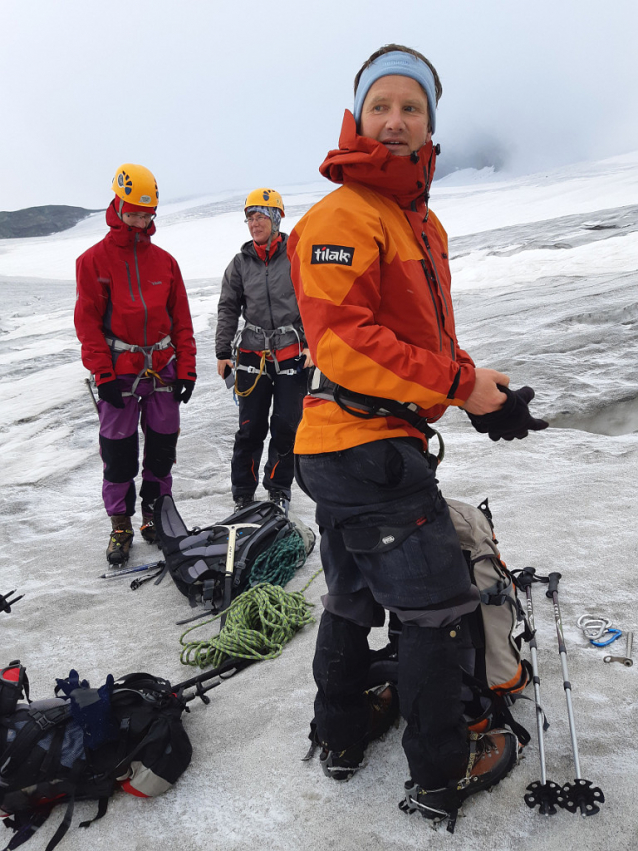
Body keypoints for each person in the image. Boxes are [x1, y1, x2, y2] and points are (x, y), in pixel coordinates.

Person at [289, 45, 548, 823]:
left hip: (350, 447)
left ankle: (339, 734)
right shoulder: (342, 215)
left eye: (412, 108)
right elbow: (347, 345)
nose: (396, 121)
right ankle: (443, 766)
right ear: (358, 116)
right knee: (435, 606)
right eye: (382, 106)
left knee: (354, 592)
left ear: (430, 124)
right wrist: (458, 386)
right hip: (364, 448)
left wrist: (478, 391)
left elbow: (421, 341)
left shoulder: (413, 219)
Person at [75, 163, 197, 565]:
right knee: (119, 453)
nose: (141, 220)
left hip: (161, 369)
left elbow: (182, 321)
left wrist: (188, 368)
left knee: (162, 449)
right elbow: (88, 322)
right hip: (119, 371)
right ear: (118, 205)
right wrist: (102, 371)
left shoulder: (166, 263)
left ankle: (154, 516)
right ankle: (120, 525)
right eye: (134, 212)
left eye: (147, 214)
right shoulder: (93, 262)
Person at [216, 188, 311, 511]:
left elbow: (314, 303)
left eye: (260, 217)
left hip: (292, 354)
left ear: (276, 218)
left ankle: (278, 488)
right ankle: (243, 493)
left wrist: (314, 345)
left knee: (287, 426)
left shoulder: (297, 256)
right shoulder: (240, 264)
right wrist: (222, 352)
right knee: (250, 427)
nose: (254, 223)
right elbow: (228, 308)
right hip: (252, 358)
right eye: (250, 218)